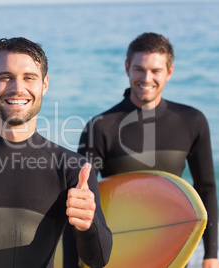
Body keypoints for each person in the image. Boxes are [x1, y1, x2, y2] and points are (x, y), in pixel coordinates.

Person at [0, 37, 112, 268]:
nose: (17, 88)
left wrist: (88, 224)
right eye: (6, 77)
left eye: (29, 78)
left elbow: (98, 259)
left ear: (44, 84)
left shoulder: (71, 169)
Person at [63, 32, 218, 268]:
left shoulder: (192, 121)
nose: (146, 78)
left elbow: (206, 189)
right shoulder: (101, 127)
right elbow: (84, 199)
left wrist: (211, 255)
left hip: (176, 251)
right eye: (139, 69)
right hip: (122, 251)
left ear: (170, 72)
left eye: (155, 71)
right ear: (127, 68)